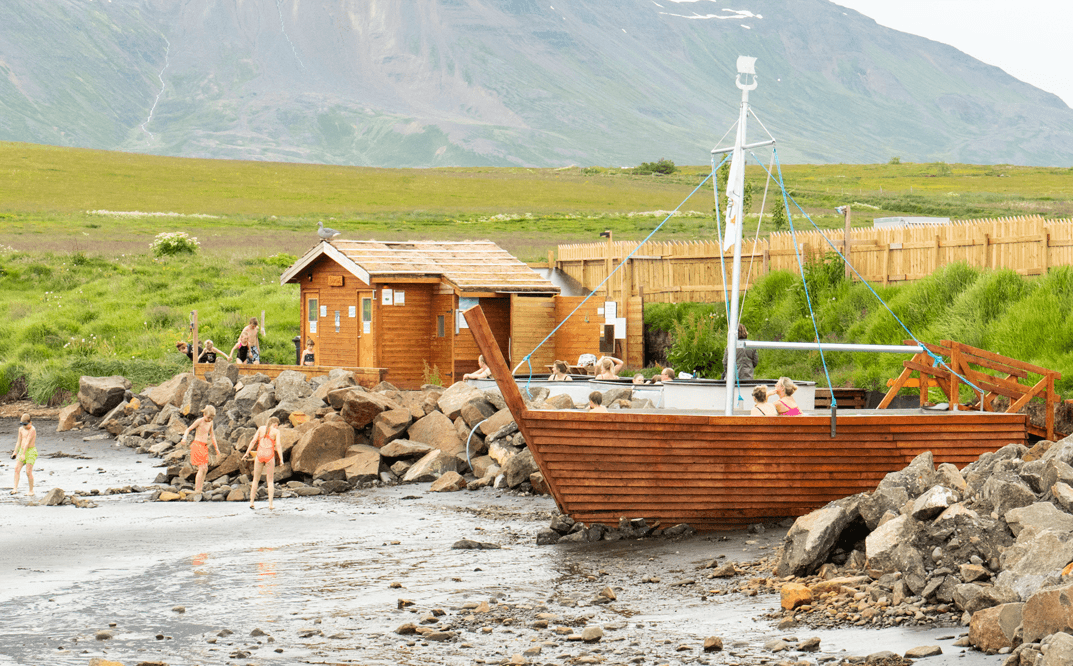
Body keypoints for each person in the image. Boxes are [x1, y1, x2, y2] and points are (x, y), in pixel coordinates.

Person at [180, 405, 222, 494]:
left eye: (211, 418)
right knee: (201, 468)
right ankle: (197, 489)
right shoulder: (199, 421)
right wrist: (184, 438)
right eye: (208, 417)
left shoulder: (211, 422)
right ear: (204, 414)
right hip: (197, 445)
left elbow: (212, 436)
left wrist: (216, 448)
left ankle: (200, 489)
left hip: (204, 446)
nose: (209, 419)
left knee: (205, 468)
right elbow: (188, 429)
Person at [244, 416, 284, 510]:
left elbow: (253, 441)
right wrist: (281, 459)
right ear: (275, 424)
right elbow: (278, 445)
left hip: (259, 455)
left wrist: (246, 453)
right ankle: (270, 504)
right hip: (269, 455)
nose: (277, 428)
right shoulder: (276, 431)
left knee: (255, 479)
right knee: (270, 481)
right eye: (277, 426)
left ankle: (252, 502)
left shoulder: (261, 429)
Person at [10, 413, 37, 495]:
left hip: (30, 452)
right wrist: (15, 452)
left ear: (30, 423)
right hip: (22, 450)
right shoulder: (21, 429)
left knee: (28, 472)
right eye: (23, 425)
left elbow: (27, 442)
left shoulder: (32, 430)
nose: (24, 426)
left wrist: (24, 454)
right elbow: (19, 441)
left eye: (26, 424)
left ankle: (31, 491)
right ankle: (15, 488)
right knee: (16, 469)